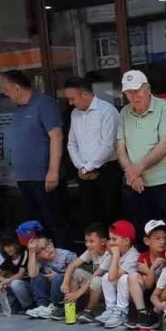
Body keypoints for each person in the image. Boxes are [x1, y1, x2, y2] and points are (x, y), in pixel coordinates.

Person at [116, 70, 166, 237]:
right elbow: (120, 147)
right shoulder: (124, 112)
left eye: (137, 90)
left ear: (148, 89)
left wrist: (137, 169)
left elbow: (164, 145)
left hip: (165, 181)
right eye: (128, 92)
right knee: (142, 232)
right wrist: (131, 174)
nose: (133, 96)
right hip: (136, 183)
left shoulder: (163, 108)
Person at [2, 69, 67, 243]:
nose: (5, 94)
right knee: (34, 225)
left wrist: (53, 170)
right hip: (24, 178)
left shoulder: (44, 104)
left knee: (54, 222)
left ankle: (64, 255)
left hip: (44, 177)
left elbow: (56, 136)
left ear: (17, 88)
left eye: (6, 89)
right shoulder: (18, 111)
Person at [64, 77, 121, 232]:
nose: (70, 103)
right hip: (84, 172)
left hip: (107, 170)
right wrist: (81, 167)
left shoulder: (107, 111)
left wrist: (88, 167)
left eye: (72, 98)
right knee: (89, 218)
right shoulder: (75, 114)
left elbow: (108, 145)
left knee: (111, 216)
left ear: (84, 94)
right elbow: (71, 143)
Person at [64, 223, 111, 323]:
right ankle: (71, 307)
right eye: (86, 241)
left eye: (91, 241)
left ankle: (89, 311)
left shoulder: (109, 254)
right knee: (77, 272)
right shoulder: (92, 250)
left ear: (103, 242)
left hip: (108, 290)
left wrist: (78, 293)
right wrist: (65, 282)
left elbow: (95, 275)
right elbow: (72, 265)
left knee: (96, 280)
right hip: (94, 286)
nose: (88, 244)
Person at [98, 219, 141, 329]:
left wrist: (115, 255)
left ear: (126, 241)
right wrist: (114, 255)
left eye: (114, 239)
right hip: (119, 287)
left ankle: (121, 312)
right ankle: (111, 309)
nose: (111, 242)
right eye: (110, 239)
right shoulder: (117, 252)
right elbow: (110, 277)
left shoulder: (133, 256)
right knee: (105, 277)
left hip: (133, 291)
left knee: (124, 278)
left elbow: (113, 277)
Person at [25, 238, 77, 319]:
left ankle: (57, 307)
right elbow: (32, 275)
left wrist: (58, 275)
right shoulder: (40, 259)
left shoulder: (67, 255)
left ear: (51, 243)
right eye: (42, 250)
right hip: (49, 290)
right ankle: (43, 306)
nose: (47, 250)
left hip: (64, 289)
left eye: (48, 245)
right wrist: (31, 252)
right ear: (38, 255)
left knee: (57, 278)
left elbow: (77, 275)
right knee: (37, 276)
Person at [132, 219, 166, 329]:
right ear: (147, 241)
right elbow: (148, 285)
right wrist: (152, 269)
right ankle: (142, 313)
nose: (162, 242)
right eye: (157, 238)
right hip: (149, 293)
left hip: (163, 294)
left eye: (164, 238)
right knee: (133, 277)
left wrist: (148, 270)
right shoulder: (143, 257)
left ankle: (157, 314)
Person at [0, 236, 32, 313]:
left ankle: (27, 306)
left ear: (16, 245)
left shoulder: (25, 253)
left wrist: (8, 280)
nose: (7, 249)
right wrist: (3, 280)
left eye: (10, 246)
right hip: (13, 283)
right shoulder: (9, 258)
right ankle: (12, 302)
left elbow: (20, 274)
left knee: (15, 283)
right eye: (5, 246)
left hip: (27, 284)